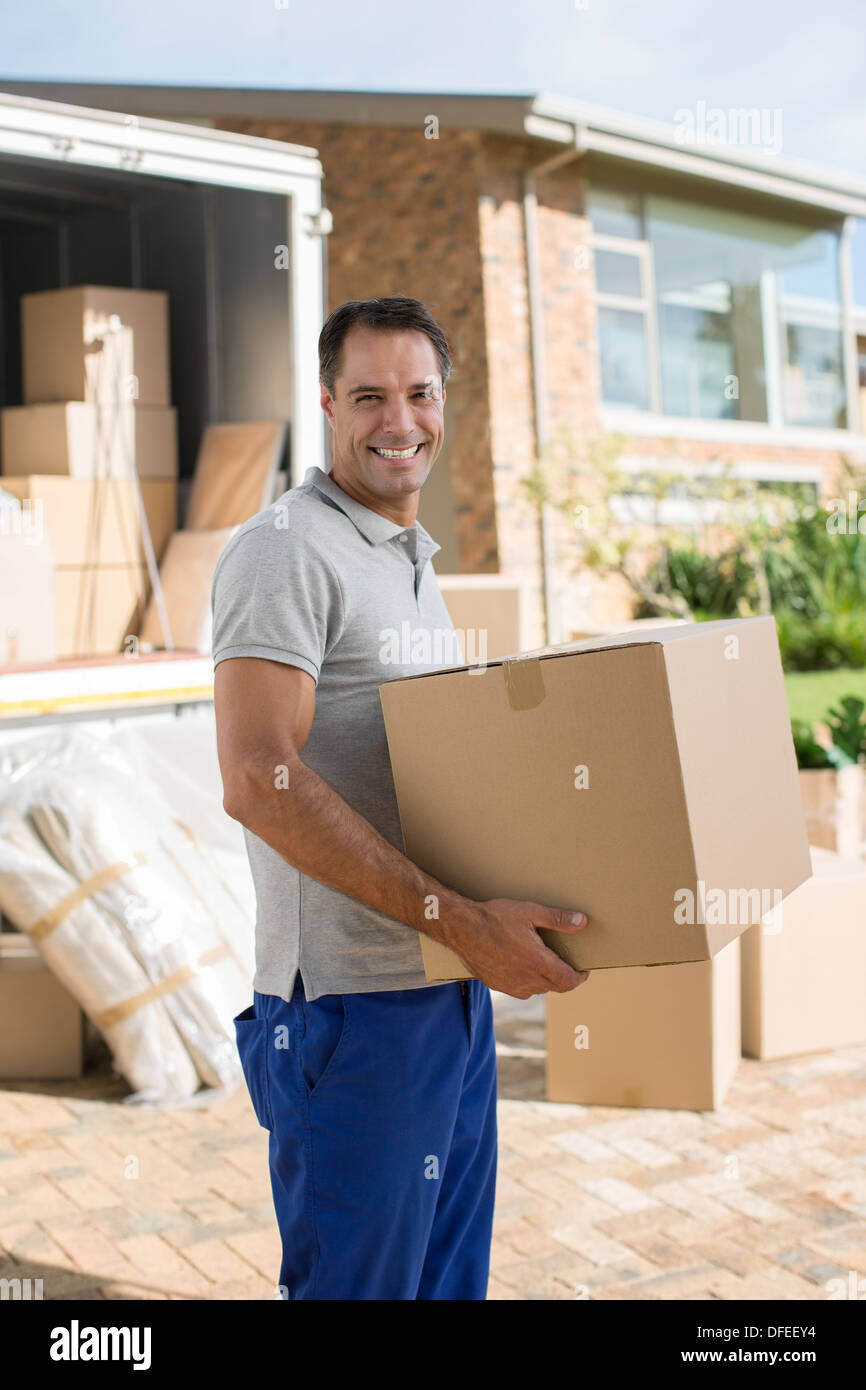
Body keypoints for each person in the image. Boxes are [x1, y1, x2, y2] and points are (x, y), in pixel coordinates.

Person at [211, 295, 591, 1301]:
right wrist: (463, 922)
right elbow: (258, 777)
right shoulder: (286, 547)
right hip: (348, 1015)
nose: (399, 420)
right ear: (329, 404)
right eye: (369, 395)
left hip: (442, 996)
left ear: (442, 402)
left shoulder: (409, 564)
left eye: (419, 393)